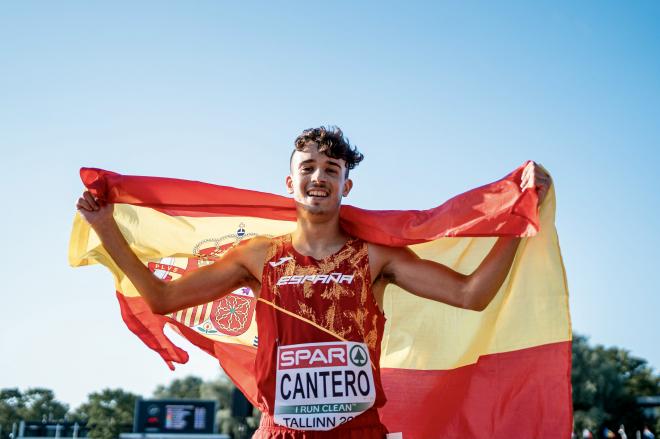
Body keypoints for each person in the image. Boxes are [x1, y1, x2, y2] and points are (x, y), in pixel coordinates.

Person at [76, 126, 551, 438]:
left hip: (358, 431)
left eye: (331, 170)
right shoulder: (258, 256)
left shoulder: (376, 256)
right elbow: (161, 299)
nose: (319, 177)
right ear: (290, 183)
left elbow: (471, 294)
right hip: (281, 431)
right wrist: (105, 229)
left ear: (347, 186)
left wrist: (516, 221)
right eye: (308, 168)